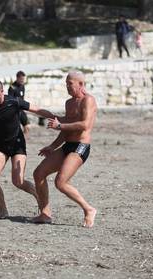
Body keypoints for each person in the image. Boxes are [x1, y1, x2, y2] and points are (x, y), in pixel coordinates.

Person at [0, 79, 55, 219]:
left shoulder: (14, 102)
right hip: (1, 146)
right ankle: (3, 210)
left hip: (17, 145)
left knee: (18, 181)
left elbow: (36, 110)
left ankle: (38, 196)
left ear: (2, 92)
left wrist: (56, 117)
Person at [32, 71, 97, 228]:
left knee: (60, 182)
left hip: (81, 147)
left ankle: (89, 209)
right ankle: (45, 213)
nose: (67, 87)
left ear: (80, 84)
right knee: (39, 173)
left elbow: (84, 125)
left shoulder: (88, 100)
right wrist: (52, 146)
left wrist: (59, 125)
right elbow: (66, 130)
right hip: (67, 145)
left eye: (70, 84)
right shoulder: (69, 103)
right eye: (66, 84)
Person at [8, 71, 31, 138]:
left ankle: (23, 139)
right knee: (16, 128)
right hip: (15, 110)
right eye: (21, 79)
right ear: (17, 78)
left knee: (28, 126)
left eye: (23, 79)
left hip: (21, 109)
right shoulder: (12, 88)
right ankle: (18, 139)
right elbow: (10, 100)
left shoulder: (22, 86)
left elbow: (22, 98)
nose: (22, 81)